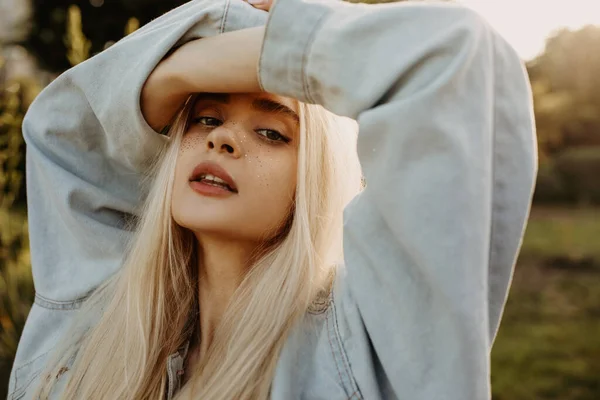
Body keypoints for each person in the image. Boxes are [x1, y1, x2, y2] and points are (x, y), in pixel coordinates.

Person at [8, 0, 537, 398]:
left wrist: (270, 43)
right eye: (206, 118)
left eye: (272, 133)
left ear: (315, 180)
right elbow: (65, 133)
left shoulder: (358, 350)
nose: (221, 139)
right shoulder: (97, 330)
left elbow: (457, 55)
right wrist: (182, 70)